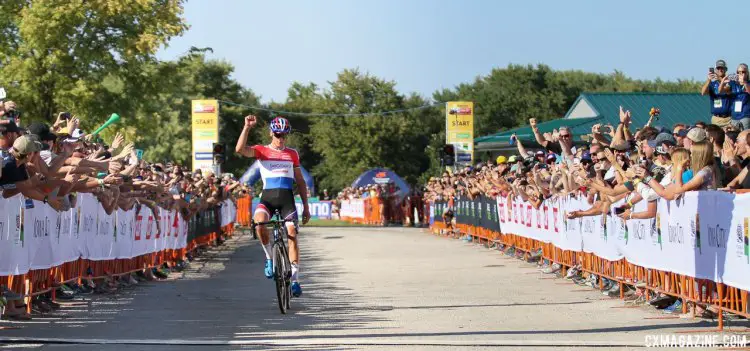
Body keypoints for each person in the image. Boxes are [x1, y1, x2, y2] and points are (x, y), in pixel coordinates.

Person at [235, 114, 310, 297]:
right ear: (271, 133)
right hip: (267, 198)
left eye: (284, 135)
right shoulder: (262, 150)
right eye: (277, 134)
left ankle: (295, 279)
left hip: (286, 200)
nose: (280, 138)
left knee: (291, 233)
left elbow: (300, 182)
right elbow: (239, 149)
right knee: (259, 223)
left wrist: (306, 207)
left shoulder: (292, 153)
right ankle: (269, 258)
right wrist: (247, 128)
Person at [701, 60, 732, 127]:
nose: (720, 70)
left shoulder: (730, 82)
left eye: (722, 68)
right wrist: (708, 80)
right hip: (716, 118)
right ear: (715, 70)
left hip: (728, 118)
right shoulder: (712, 84)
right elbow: (703, 92)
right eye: (718, 68)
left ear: (725, 69)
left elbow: (726, 89)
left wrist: (720, 80)